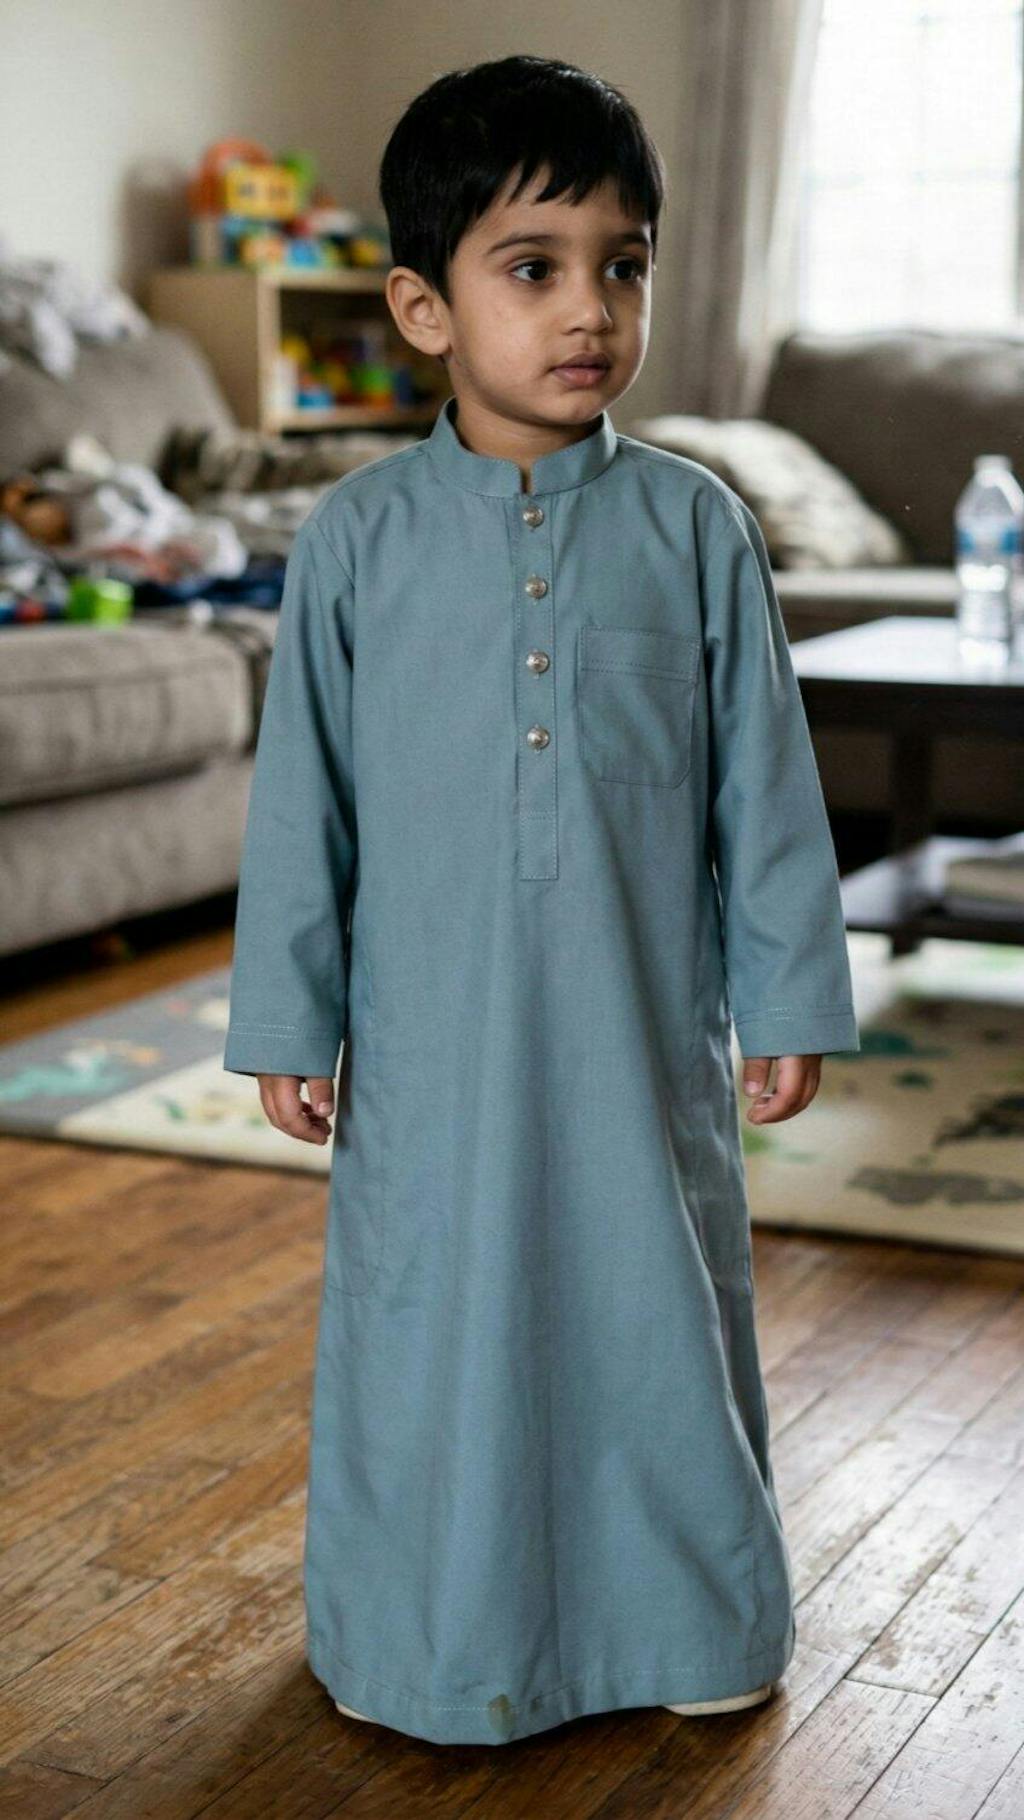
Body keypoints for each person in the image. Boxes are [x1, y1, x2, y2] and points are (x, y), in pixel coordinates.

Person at [223, 53, 861, 1747]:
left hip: (641, 1045)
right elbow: (303, 805)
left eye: (623, 264)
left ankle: (692, 1614)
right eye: (535, 266)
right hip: (427, 1054)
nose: (591, 308)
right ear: (423, 308)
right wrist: (288, 1017)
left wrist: (790, 993)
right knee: (435, 1328)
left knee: (655, 1319)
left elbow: (766, 790)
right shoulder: (354, 543)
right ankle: (426, 1643)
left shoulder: (697, 529)